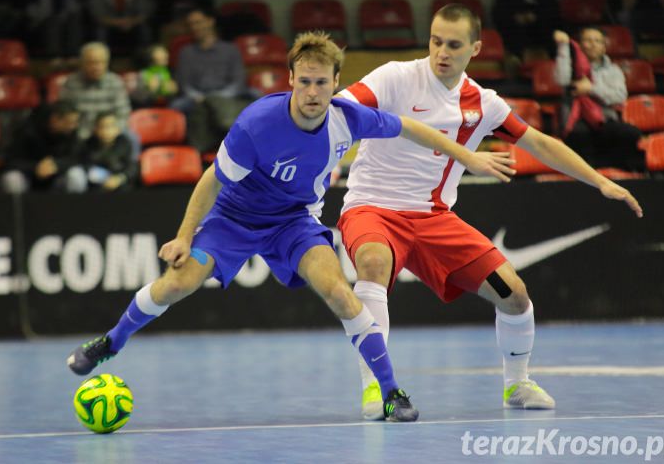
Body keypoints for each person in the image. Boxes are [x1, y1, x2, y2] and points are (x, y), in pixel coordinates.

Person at [66, 31, 517, 422]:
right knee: (176, 285)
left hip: (294, 223)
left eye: (322, 82)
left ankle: (391, 390)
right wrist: (184, 236)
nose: (313, 92)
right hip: (234, 220)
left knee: (340, 291)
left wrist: (467, 156)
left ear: (336, 83)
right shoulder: (257, 123)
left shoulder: (348, 116)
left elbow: (411, 128)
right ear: (291, 81)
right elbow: (211, 180)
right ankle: (111, 340)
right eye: (305, 82)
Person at [337, 4, 643, 421]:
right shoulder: (395, 77)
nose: (441, 51)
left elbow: (540, 143)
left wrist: (600, 181)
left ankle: (517, 384)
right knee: (372, 262)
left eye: (454, 44)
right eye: (435, 40)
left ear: (476, 48)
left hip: (433, 217)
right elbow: (340, 108)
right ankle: (375, 385)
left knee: (514, 295)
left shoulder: (482, 103)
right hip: (372, 206)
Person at [553, 27, 645, 170]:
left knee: (631, 133)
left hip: (605, 119)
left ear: (603, 47)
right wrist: (563, 46)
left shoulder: (613, 70)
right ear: (580, 45)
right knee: (580, 134)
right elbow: (561, 80)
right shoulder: (570, 66)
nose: (593, 44)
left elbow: (620, 96)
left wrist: (591, 89)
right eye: (588, 40)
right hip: (576, 119)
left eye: (597, 41)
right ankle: (586, 173)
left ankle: (615, 171)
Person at [170, 6, 250, 154]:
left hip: (226, 95)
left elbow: (238, 82)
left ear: (210, 21)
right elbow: (185, 84)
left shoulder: (230, 49)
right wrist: (198, 97)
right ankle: (193, 151)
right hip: (198, 98)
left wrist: (218, 97)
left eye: (198, 22)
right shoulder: (186, 52)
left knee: (258, 96)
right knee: (176, 105)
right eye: (191, 24)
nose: (195, 27)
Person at [0, 101, 86, 194]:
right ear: (54, 119)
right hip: (28, 177)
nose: (73, 126)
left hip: (57, 179)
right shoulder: (28, 130)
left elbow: (78, 158)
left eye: (75, 122)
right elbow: (10, 161)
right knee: (11, 179)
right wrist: (35, 167)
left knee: (76, 175)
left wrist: (56, 165)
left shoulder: (72, 134)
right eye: (69, 122)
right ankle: (17, 209)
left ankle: (71, 208)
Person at [59, 42, 134, 145]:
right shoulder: (71, 83)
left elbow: (123, 113)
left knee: (132, 138)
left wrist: (112, 130)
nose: (96, 67)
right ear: (82, 63)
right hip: (80, 132)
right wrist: (84, 132)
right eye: (91, 63)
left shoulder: (115, 82)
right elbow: (65, 113)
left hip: (108, 129)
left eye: (100, 62)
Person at [88, 0, 153, 50]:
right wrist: (118, 22)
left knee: (144, 29)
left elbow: (143, 13)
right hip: (108, 22)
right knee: (100, 31)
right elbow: (97, 14)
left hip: (132, 22)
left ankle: (145, 55)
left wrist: (130, 22)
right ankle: (100, 55)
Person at [85, 112, 138, 191]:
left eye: (110, 126)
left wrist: (119, 178)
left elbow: (131, 167)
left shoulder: (125, 142)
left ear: (118, 129)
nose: (106, 131)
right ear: (95, 129)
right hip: (96, 183)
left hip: (120, 180)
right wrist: (104, 178)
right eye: (102, 127)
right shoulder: (89, 144)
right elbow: (86, 165)